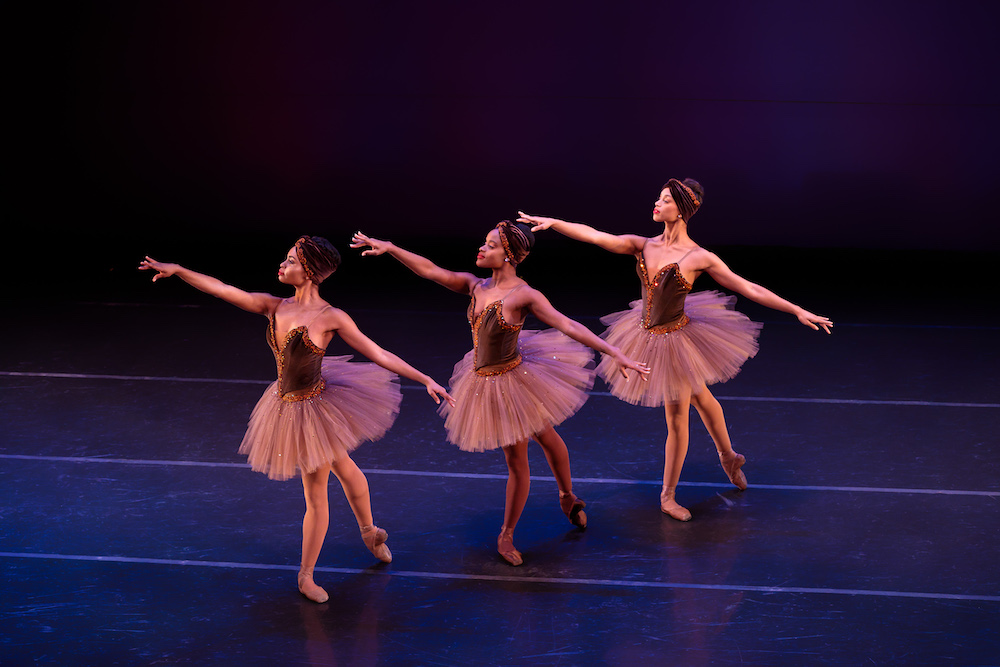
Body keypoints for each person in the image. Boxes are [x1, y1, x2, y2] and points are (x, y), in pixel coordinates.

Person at [139, 235, 453, 603]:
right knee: (341, 464)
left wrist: (425, 378)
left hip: (315, 406)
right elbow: (224, 289)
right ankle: (368, 532)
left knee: (317, 493)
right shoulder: (274, 306)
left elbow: (377, 352)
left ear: (310, 271)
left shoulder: (331, 317)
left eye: (290, 260)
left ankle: (308, 574)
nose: (282, 265)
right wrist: (179, 271)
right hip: (286, 403)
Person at [518, 179, 832, 521]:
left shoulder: (699, 257)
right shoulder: (642, 245)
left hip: (677, 339)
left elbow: (748, 287)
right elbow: (596, 236)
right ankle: (728, 456)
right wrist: (555, 223)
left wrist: (796, 309)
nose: (656, 203)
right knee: (700, 395)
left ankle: (668, 496)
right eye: (658, 197)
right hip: (645, 333)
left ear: (681, 209)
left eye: (664, 200)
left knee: (678, 416)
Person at [350, 223, 649, 565]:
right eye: (483, 243)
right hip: (485, 379)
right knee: (543, 435)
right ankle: (566, 496)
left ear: (508, 255)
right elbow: (432, 271)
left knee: (521, 458)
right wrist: (391, 247)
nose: (481, 249)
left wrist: (615, 353)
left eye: (489, 245)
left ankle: (516, 528)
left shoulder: (524, 295)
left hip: (514, 379)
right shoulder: (474, 285)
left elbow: (568, 325)